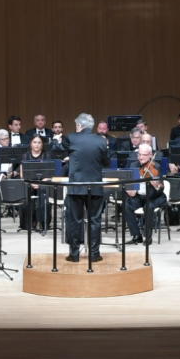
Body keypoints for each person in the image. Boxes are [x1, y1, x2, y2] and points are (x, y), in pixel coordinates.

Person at [64, 112, 110, 262]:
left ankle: (74, 254)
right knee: (95, 221)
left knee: (75, 221)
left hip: (76, 186)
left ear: (79, 125)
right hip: (95, 186)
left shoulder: (71, 138)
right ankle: (94, 254)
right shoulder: (101, 140)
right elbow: (106, 163)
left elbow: (58, 152)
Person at [124, 142, 164, 244]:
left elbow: (160, 189)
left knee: (148, 207)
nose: (140, 157)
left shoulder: (156, 166)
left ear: (150, 155)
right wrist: (130, 189)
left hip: (153, 197)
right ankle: (137, 235)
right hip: (139, 196)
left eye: (144, 155)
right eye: (139, 154)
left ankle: (148, 236)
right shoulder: (134, 165)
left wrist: (156, 185)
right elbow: (131, 188)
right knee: (126, 205)